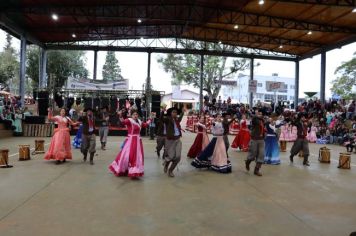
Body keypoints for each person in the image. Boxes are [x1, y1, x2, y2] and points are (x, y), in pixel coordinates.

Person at [109, 109, 150, 178]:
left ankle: (134, 170)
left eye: (136, 114)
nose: (135, 116)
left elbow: (145, 125)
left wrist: (150, 119)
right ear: (131, 115)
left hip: (138, 141)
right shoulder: (129, 120)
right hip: (131, 141)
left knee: (137, 156)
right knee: (127, 155)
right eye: (134, 114)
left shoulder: (139, 121)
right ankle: (124, 168)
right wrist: (120, 115)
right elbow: (122, 122)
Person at [162, 107, 184, 177]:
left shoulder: (177, 119)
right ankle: (166, 165)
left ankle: (170, 170)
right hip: (170, 140)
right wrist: (162, 111)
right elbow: (162, 119)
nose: (175, 113)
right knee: (170, 156)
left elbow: (180, 117)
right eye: (173, 112)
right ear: (171, 113)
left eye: (176, 113)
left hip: (177, 140)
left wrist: (182, 112)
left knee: (178, 157)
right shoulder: (168, 119)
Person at [245, 110, 265, 176]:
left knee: (261, 155)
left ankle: (256, 170)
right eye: (259, 114)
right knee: (252, 155)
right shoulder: (255, 121)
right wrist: (256, 115)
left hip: (261, 140)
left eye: (261, 114)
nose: (260, 115)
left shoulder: (262, 121)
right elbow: (254, 119)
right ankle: (247, 162)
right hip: (254, 139)